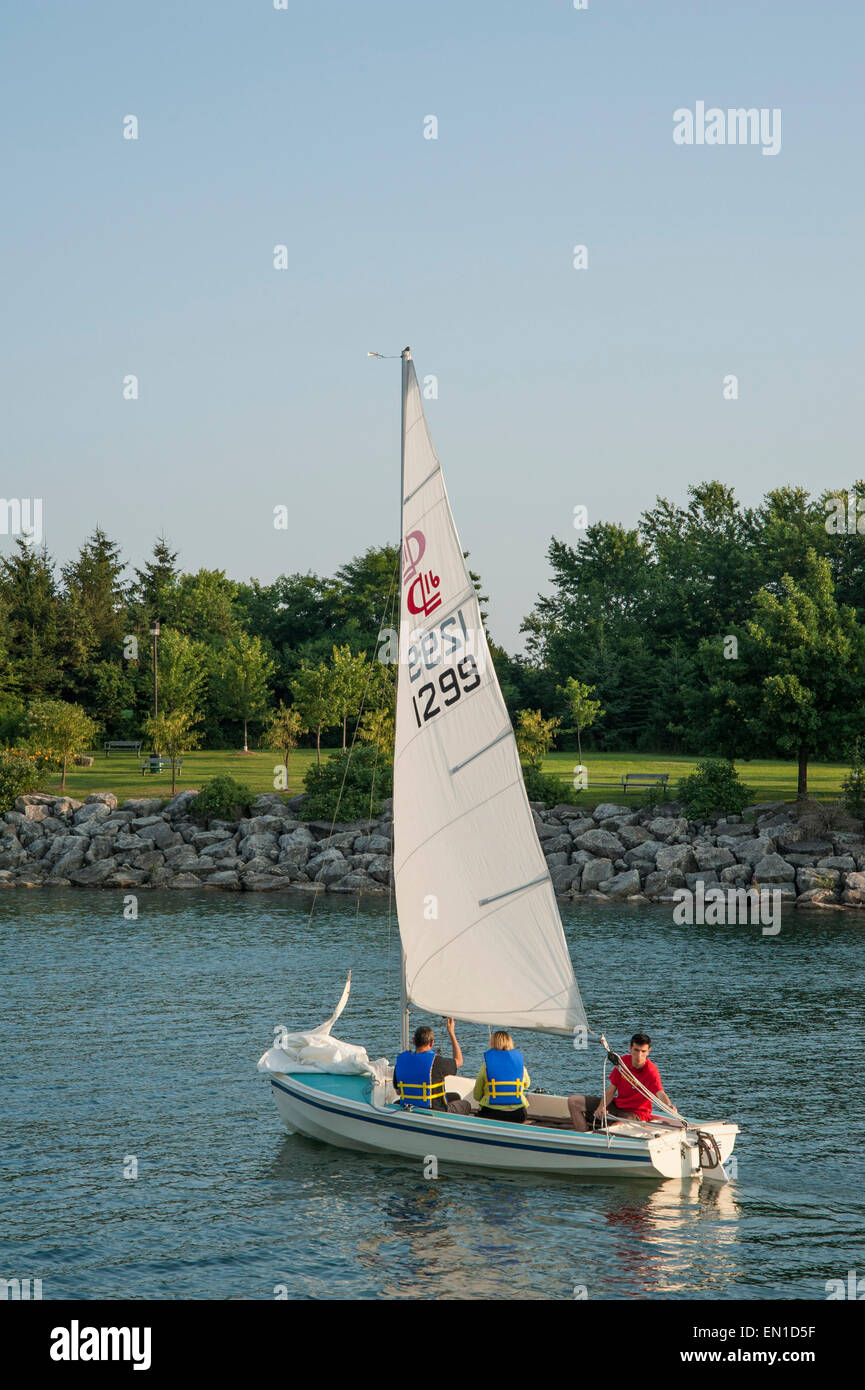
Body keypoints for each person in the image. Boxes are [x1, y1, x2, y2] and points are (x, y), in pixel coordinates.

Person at [567, 1032, 677, 1131]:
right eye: (636, 1050)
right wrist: (601, 1107)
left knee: (612, 1129)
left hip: (636, 1114)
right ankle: (583, 1135)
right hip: (618, 1105)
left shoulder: (651, 1070)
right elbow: (611, 1090)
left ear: (648, 1051)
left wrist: (669, 1105)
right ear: (630, 1048)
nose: (639, 1055)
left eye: (643, 1051)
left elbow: (660, 1093)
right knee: (573, 1101)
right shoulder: (623, 1062)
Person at [392, 1019, 472, 1114]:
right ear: (431, 1043)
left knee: (454, 1096)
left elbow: (398, 1092)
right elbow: (459, 1061)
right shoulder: (437, 1062)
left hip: (410, 1109)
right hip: (436, 1112)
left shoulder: (401, 1061)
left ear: (413, 1041)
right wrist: (452, 1033)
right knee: (466, 1104)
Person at [473, 1030, 531, 1123]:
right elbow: (527, 1084)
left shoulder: (486, 1066)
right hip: (518, 1114)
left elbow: (477, 1095)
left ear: (492, 1043)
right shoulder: (520, 1065)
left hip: (491, 1113)